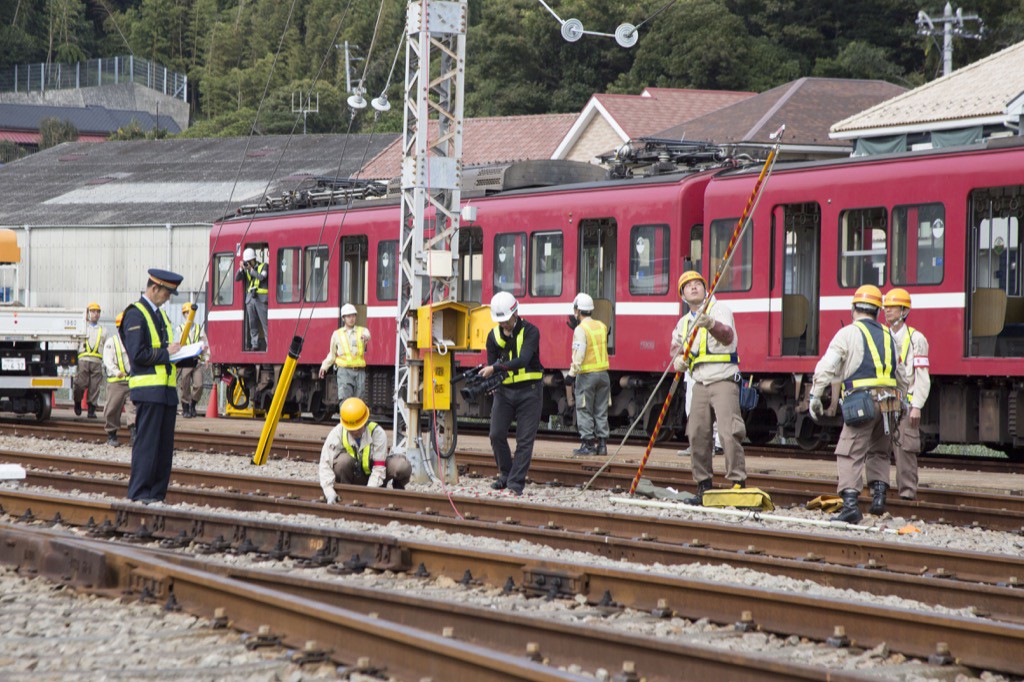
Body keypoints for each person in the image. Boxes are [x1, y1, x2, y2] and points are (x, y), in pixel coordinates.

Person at [808, 285, 910, 523]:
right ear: (877, 311)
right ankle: (878, 497)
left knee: (849, 452)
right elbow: (902, 374)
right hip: (889, 404)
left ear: (854, 309)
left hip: (861, 403)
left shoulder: (848, 333)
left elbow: (827, 366)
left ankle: (851, 505)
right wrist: (903, 401)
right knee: (879, 450)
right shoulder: (890, 336)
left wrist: (815, 395)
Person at [670, 271, 746, 504]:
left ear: (705, 289)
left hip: (723, 379)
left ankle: (737, 486)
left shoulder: (719, 310)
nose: (693, 288)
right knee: (697, 434)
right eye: (688, 286)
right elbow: (675, 349)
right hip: (700, 383)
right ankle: (704, 487)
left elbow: (727, 336)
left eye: (697, 284)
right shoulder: (683, 323)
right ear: (683, 295)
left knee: (729, 433)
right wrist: (678, 361)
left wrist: (710, 323)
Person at [123, 268, 194, 503]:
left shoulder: (160, 316)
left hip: (165, 393)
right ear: (155, 288)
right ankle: (140, 494)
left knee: (163, 451)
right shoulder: (135, 314)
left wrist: (188, 355)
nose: (168, 298)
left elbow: (166, 352)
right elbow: (138, 354)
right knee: (147, 448)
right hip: (148, 391)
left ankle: (156, 495)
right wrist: (166, 353)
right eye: (166, 293)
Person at [480, 291, 544, 497]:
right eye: (501, 321)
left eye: (506, 320)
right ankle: (505, 474)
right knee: (496, 434)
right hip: (505, 392)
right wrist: (489, 382)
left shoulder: (531, 332)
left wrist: (495, 369)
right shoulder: (493, 336)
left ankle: (516, 483)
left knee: (524, 440)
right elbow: (490, 365)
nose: (504, 325)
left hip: (530, 391)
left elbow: (523, 360)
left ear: (515, 313)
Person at [883, 288, 931, 500]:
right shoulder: (882, 337)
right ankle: (879, 491)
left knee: (906, 452)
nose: (887, 311)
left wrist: (917, 405)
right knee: (877, 450)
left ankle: (907, 494)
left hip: (905, 405)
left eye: (892, 307)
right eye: (886, 307)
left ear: (904, 310)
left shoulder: (916, 339)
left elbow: (922, 376)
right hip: (884, 404)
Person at [319, 397, 411, 502]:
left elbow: (379, 468)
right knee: (342, 462)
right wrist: (329, 492)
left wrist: (368, 493)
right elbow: (325, 464)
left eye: (358, 428)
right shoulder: (337, 433)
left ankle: (397, 490)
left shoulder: (378, 433)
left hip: (375, 476)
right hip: (352, 476)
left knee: (402, 466)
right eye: (352, 430)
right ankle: (346, 493)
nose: (356, 432)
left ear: (365, 421)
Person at [566, 293, 610, 456]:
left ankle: (588, 445)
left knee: (584, 408)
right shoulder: (601, 325)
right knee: (601, 409)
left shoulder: (580, 329)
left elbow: (580, 353)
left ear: (577, 310)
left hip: (587, 376)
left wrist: (571, 374)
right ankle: (603, 445)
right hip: (603, 375)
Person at [318, 303, 371, 402]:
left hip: (359, 372)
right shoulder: (336, 334)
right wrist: (324, 366)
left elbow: (367, 334)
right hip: (344, 371)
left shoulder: (362, 331)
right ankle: (346, 418)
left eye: (353, 315)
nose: (351, 318)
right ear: (343, 318)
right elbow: (332, 354)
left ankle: (355, 418)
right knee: (345, 400)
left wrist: (366, 337)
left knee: (359, 402)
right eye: (349, 316)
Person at [101, 312, 135, 447]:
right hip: (116, 382)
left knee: (134, 409)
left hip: (132, 382)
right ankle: (111, 434)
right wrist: (116, 372)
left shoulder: (134, 342)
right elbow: (107, 361)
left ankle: (134, 434)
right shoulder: (111, 342)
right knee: (112, 409)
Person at [73, 302, 107, 418]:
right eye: (93, 311)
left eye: (98, 312)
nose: (95, 314)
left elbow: (106, 347)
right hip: (83, 360)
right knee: (80, 384)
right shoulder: (82, 328)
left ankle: (91, 409)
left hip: (97, 361)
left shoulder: (103, 331)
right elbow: (75, 343)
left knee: (95, 387)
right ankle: (77, 401)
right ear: (88, 313)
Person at [175, 303, 209, 418]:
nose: (190, 315)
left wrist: (207, 358)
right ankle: (185, 406)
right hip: (184, 361)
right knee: (184, 384)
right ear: (184, 314)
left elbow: (204, 344)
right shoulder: (179, 329)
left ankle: (193, 404)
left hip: (196, 361)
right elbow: (176, 345)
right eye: (188, 312)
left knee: (199, 384)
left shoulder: (199, 328)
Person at [235, 247, 268, 351]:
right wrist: (241, 268)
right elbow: (237, 278)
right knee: (252, 323)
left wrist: (251, 269)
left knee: (264, 323)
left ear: (254, 259)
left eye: (250, 261)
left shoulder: (264, 266)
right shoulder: (245, 269)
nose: (248, 263)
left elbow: (262, 277)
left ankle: (269, 344)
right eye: (246, 262)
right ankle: (255, 344)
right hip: (250, 299)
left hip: (261, 299)